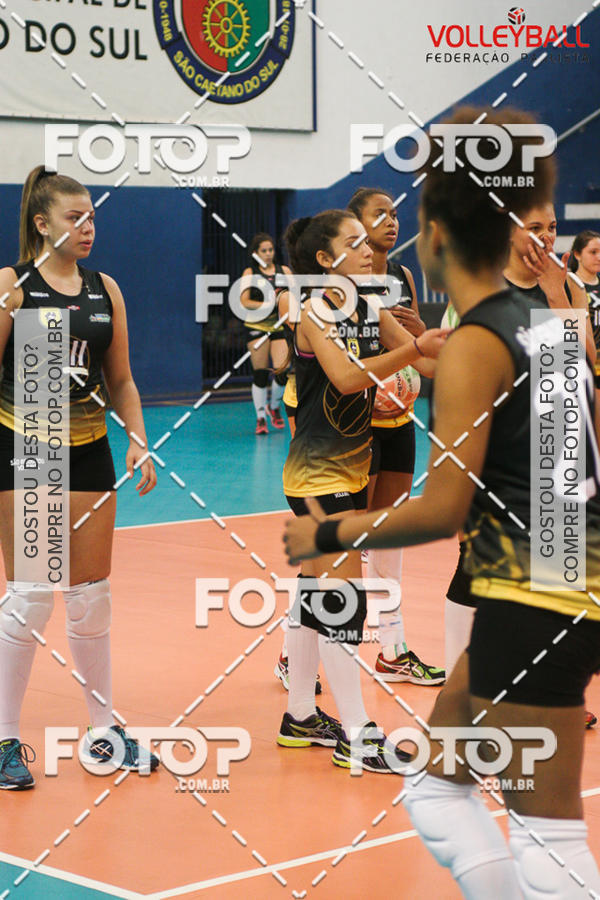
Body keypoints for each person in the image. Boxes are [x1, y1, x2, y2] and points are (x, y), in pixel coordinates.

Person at [283, 106, 600, 897]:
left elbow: (444, 510)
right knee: (439, 788)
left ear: (435, 236)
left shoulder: (483, 340)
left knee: (545, 833)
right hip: (568, 582)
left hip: (531, 596)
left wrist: (329, 536)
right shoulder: (552, 326)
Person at [0, 166, 158, 789]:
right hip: (28, 444)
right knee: (32, 594)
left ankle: (104, 732)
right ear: (43, 224)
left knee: (91, 596)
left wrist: (139, 440)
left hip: (91, 448)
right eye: (75, 217)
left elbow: (121, 378)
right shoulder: (14, 287)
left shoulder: (105, 289)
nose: (89, 227)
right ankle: (4, 740)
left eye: (92, 216)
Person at [277, 208, 448, 773]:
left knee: (314, 594)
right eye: (354, 243)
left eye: (365, 241)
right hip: (315, 476)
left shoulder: (369, 305)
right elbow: (349, 377)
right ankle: (358, 734)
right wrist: (414, 351)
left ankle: (300, 715)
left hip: (352, 470)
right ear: (325, 259)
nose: (368, 249)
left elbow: (428, 359)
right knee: (342, 604)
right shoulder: (312, 312)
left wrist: (438, 340)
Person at [348, 186, 445, 686]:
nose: (391, 221)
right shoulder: (341, 286)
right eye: (379, 214)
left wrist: (420, 334)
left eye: (394, 213)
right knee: (344, 545)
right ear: (354, 225)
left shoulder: (403, 277)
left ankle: (393, 650)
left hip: (400, 421)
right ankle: (292, 652)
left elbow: (420, 352)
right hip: (356, 426)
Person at [240, 233, 292, 434]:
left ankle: (274, 406)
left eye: (270, 250)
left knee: (282, 370)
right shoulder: (250, 273)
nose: (268, 254)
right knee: (260, 374)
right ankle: (260, 418)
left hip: (279, 326)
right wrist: (267, 305)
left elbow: (295, 294)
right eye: (264, 250)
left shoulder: (284, 271)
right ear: (256, 253)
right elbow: (244, 301)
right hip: (257, 326)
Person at [569, 230, 600, 388]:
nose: (599, 257)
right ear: (577, 254)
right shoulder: (569, 285)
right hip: (580, 360)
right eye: (593, 252)